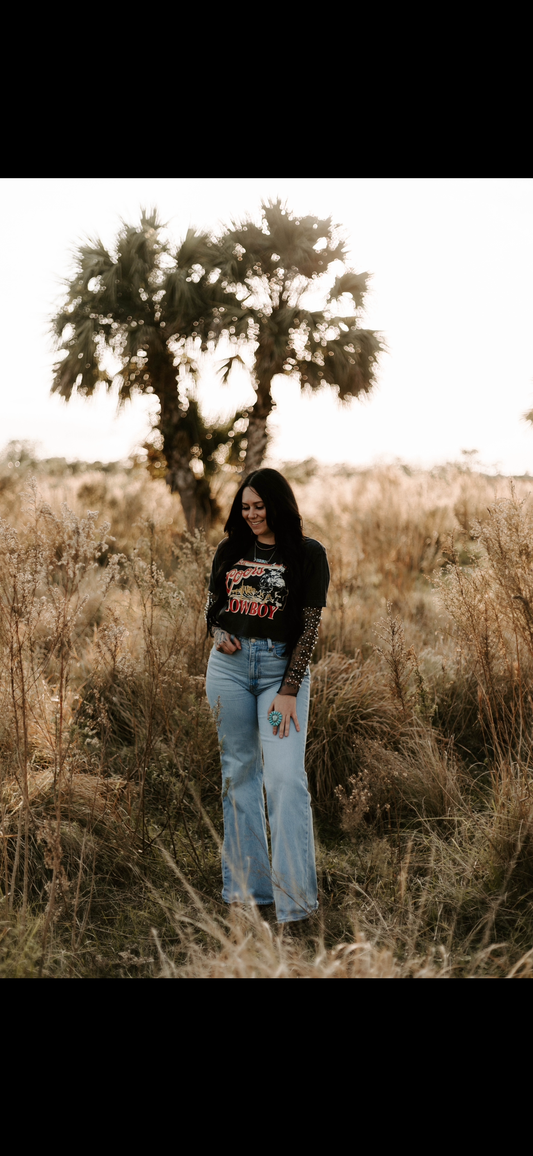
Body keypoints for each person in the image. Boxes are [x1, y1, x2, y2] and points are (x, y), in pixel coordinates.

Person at [205, 468, 330, 926]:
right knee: (238, 776)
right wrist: (218, 632)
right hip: (229, 673)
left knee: (284, 780)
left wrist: (290, 691)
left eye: (260, 506)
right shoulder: (230, 550)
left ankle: (296, 907)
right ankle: (247, 893)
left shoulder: (307, 554)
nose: (252, 514)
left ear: (278, 505)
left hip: (281, 674)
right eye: (245, 507)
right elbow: (211, 608)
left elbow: (310, 625)